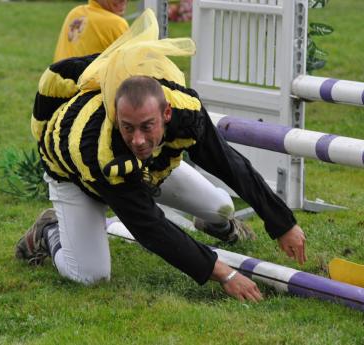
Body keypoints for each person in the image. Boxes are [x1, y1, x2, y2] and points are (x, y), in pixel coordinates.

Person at [16, 10, 307, 302]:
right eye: (127, 127)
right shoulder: (103, 151)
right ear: (116, 115)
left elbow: (229, 164)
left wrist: (282, 222)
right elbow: (150, 227)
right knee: (91, 276)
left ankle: (218, 225)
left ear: (167, 113)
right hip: (78, 179)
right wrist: (223, 273)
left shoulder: (186, 111)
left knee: (221, 206)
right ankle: (49, 230)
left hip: (147, 170)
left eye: (147, 126)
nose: (138, 139)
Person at [53, 0, 129, 62]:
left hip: (54, 79)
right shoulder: (116, 23)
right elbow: (127, 64)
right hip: (86, 80)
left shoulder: (75, 12)